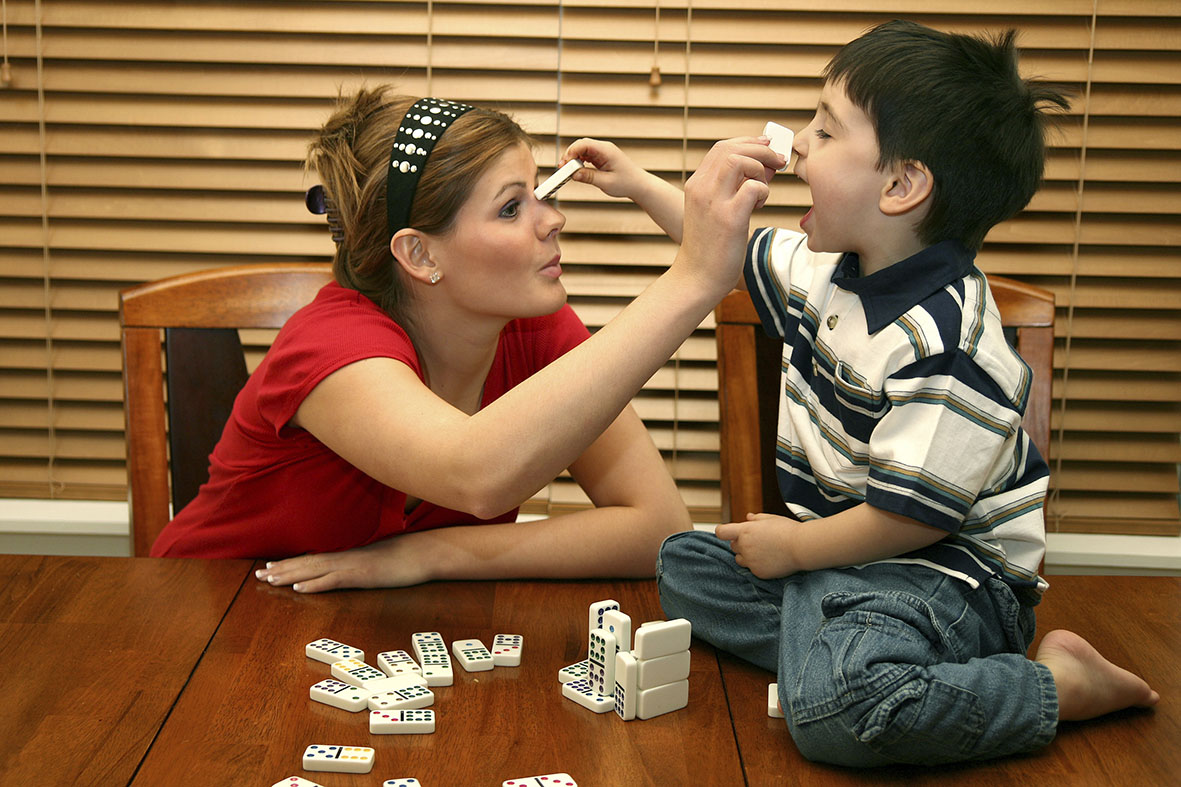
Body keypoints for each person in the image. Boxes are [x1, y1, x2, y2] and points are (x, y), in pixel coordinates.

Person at [567, 20, 1158, 767]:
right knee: (684, 564)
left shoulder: (950, 346)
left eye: (823, 128)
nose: (797, 145)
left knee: (838, 714)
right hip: (842, 564)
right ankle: (850, 657)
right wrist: (634, 183)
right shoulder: (831, 268)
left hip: (945, 575)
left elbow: (908, 520)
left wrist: (796, 547)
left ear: (900, 184)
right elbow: (722, 245)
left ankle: (1050, 682)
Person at [150, 86, 781, 594]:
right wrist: (695, 277)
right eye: (511, 207)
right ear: (419, 253)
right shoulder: (330, 348)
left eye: (540, 194)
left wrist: (430, 554)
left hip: (381, 635)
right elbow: (476, 472)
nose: (552, 218)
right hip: (205, 613)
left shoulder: (533, 330)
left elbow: (658, 531)